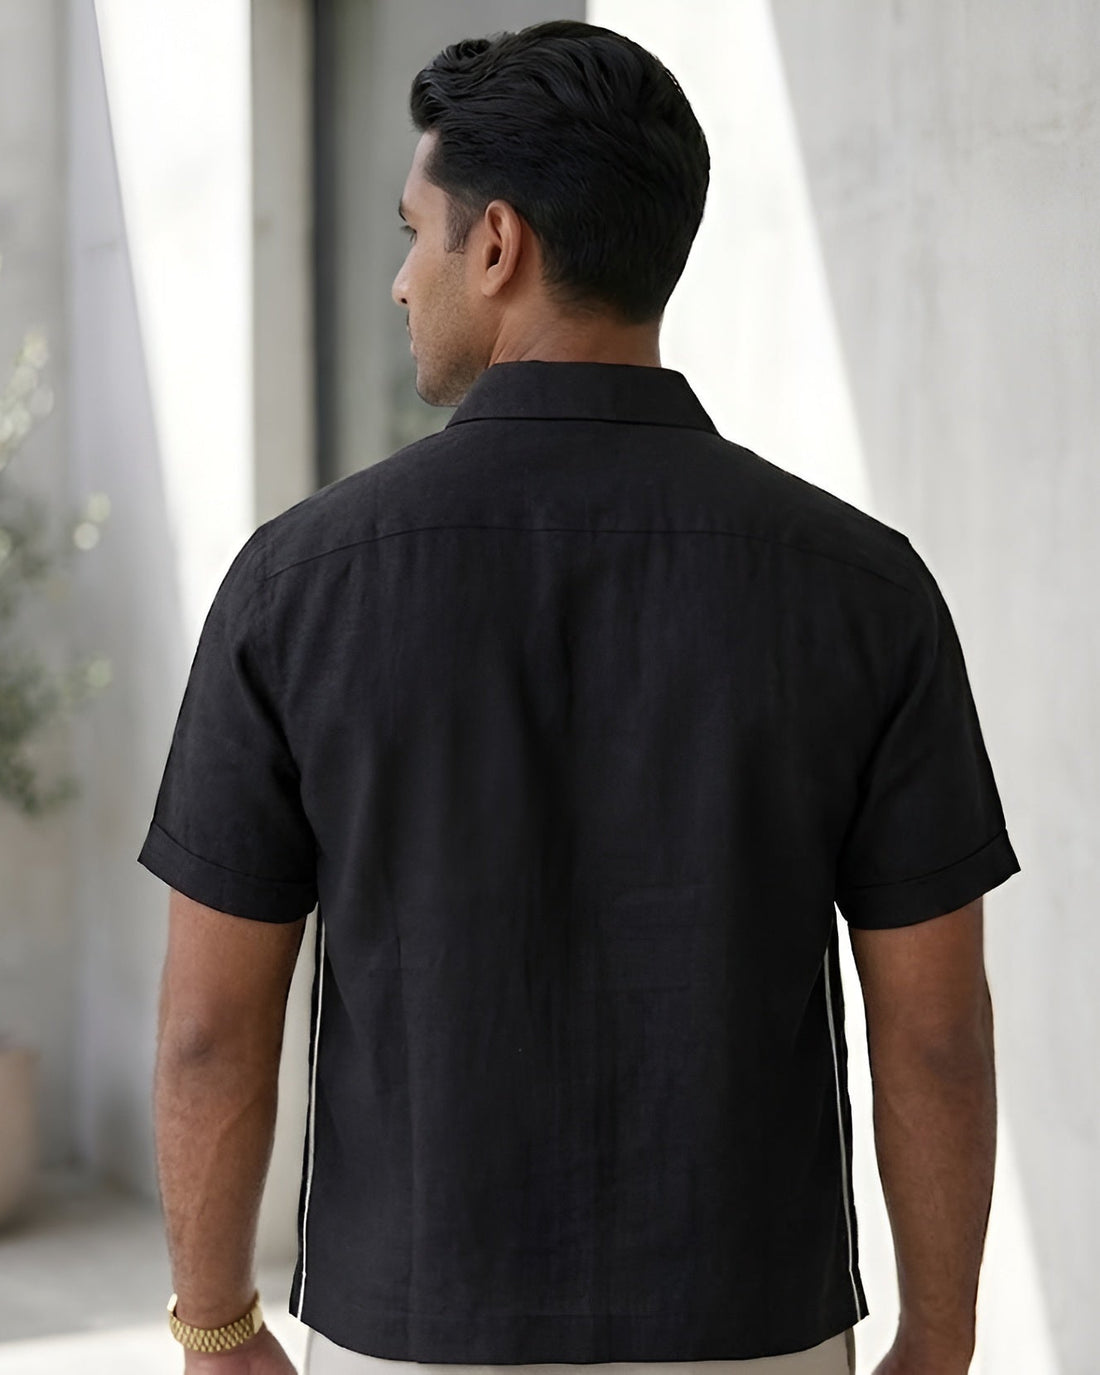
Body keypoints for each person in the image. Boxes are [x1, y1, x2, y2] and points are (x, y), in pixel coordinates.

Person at [138, 19, 1021, 1375]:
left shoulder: (299, 586)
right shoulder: (863, 588)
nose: (396, 281)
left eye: (413, 232)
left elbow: (208, 1025)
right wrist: (942, 1338)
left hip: (412, 1331)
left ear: (496, 247)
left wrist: (213, 1327)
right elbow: (937, 1027)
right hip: (756, 1332)